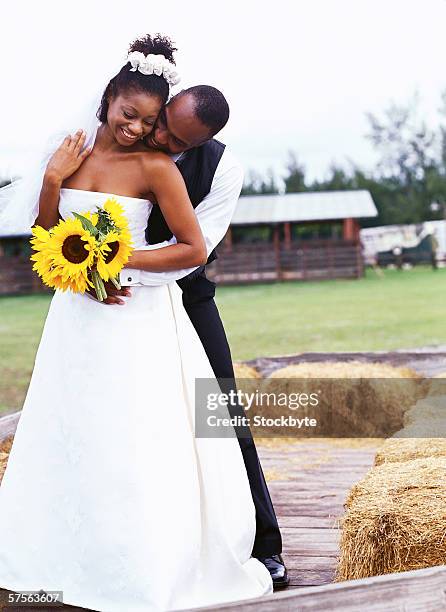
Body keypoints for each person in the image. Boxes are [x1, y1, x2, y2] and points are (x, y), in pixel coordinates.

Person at [0, 34, 273, 611]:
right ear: (108, 99)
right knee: (71, 432)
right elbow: (46, 239)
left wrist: (111, 262)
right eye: (137, 117)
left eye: (154, 125)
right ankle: (61, 565)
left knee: (179, 422)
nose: (146, 133)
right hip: (75, 318)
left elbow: (195, 246)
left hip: (149, 308)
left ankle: (191, 554)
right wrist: (53, 182)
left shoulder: (171, 167)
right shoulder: (68, 149)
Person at [95, 85, 288, 589]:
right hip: (107, 299)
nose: (158, 139)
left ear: (201, 140)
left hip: (185, 298)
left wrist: (122, 271)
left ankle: (262, 544)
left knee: (218, 408)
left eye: (177, 141)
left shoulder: (224, 169)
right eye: (161, 125)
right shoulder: (128, 131)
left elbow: (194, 251)